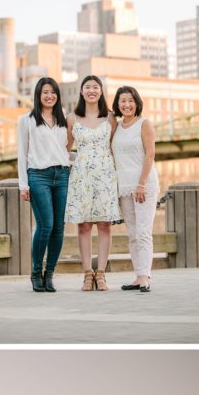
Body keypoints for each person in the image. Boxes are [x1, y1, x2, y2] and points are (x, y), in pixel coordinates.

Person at [64, 74, 121, 291]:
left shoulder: (110, 118)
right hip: (82, 176)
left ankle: (102, 273)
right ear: (81, 91)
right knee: (85, 225)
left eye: (95, 87)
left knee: (105, 225)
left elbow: (116, 147)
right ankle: (87, 273)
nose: (91, 90)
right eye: (87, 87)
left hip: (106, 174)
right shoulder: (71, 118)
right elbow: (66, 149)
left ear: (101, 91)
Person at [17, 76, 71, 294]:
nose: (49, 96)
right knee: (45, 225)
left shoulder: (64, 118)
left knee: (59, 228)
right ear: (38, 95)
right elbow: (22, 153)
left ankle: (49, 275)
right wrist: (23, 184)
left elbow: (65, 150)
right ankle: (35, 272)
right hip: (38, 176)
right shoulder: (27, 120)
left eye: (53, 92)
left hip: (62, 175)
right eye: (45, 92)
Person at [112, 85, 158, 293]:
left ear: (136, 102)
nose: (127, 104)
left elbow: (150, 155)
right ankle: (138, 275)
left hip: (144, 185)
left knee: (143, 232)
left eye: (130, 100)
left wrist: (141, 183)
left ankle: (145, 276)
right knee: (132, 233)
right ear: (117, 104)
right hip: (124, 187)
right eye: (123, 101)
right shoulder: (116, 126)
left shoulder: (144, 124)